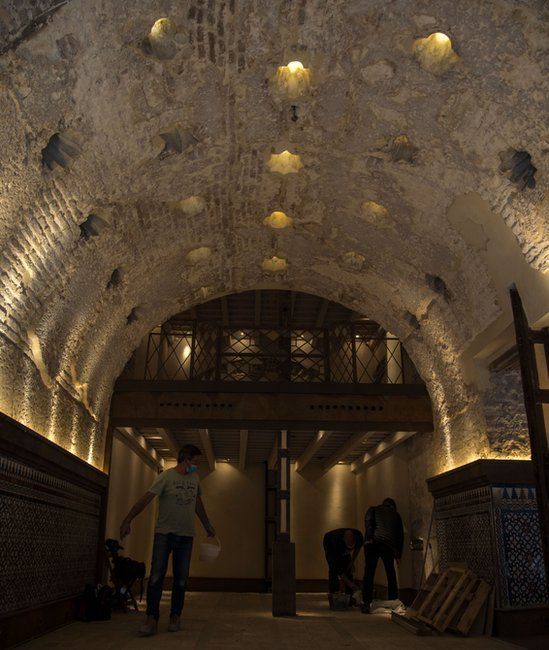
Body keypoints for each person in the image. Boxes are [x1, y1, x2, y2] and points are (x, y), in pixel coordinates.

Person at [120, 444, 215, 636]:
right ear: (185, 460)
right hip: (165, 534)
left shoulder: (194, 479)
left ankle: (175, 616)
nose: (196, 466)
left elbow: (198, 503)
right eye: (194, 462)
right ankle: (152, 618)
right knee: (156, 577)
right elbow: (146, 499)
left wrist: (207, 525)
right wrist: (128, 519)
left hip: (186, 536)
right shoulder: (166, 477)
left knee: (181, 580)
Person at [361, 497, 404, 613]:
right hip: (388, 545)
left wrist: (369, 539)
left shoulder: (373, 509)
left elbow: (369, 524)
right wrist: (398, 554)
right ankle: (393, 601)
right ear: (392, 506)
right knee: (390, 572)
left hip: (373, 542)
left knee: (369, 572)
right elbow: (400, 536)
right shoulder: (396, 514)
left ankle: (366, 602)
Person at [323, 528, 364, 602]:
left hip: (340, 546)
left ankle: (350, 596)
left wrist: (352, 562)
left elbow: (357, 548)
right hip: (328, 542)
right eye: (347, 548)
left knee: (348, 566)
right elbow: (338, 569)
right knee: (333, 570)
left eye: (351, 548)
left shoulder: (359, 536)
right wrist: (351, 584)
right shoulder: (334, 543)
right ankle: (335, 595)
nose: (349, 550)